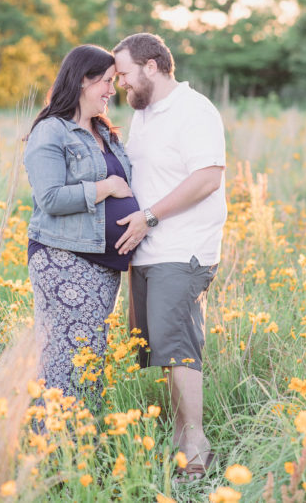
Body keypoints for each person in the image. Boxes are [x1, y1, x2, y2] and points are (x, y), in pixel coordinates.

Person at [111, 32, 227, 481]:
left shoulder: (193, 111)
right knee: (162, 349)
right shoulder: (144, 114)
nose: (120, 84)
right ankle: (182, 442)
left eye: (123, 74)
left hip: (183, 249)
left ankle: (196, 455)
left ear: (152, 66)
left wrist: (149, 218)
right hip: (149, 252)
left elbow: (207, 179)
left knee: (179, 351)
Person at [22, 45, 141, 410]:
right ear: (82, 81)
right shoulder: (51, 131)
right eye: (106, 81)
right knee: (65, 357)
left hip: (104, 266)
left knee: (90, 356)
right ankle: (52, 446)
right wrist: (105, 188)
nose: (111, 90)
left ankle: (79, 443)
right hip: (65, 260)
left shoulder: (104, 133)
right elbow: (51, 198)